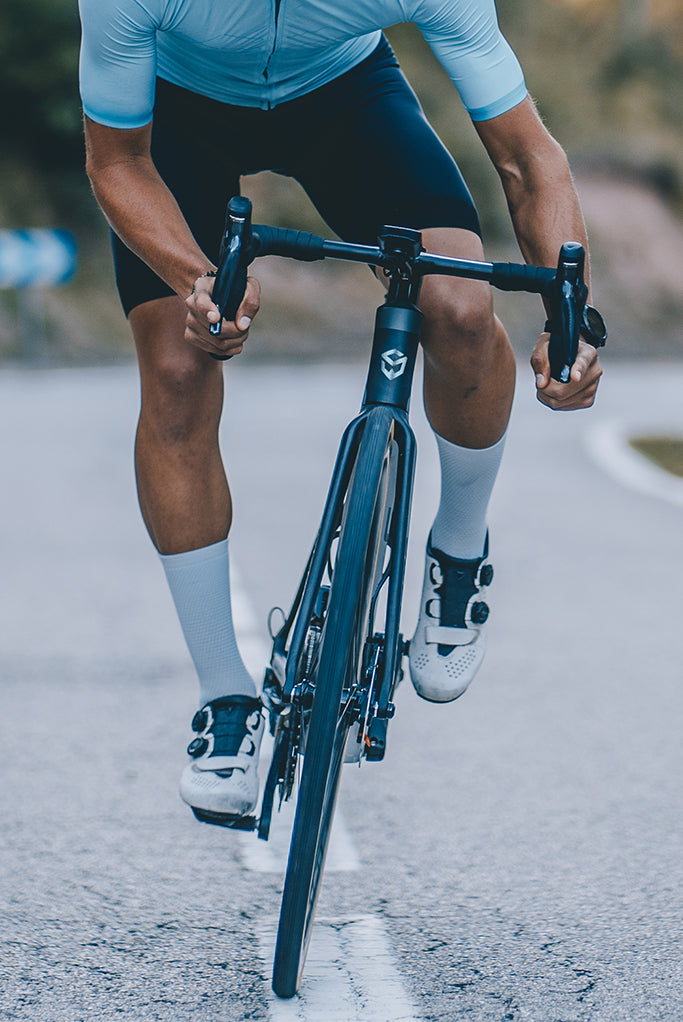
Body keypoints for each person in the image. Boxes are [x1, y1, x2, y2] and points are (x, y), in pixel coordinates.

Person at [78, 0, 603, 826]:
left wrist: (571, 317)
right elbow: (116, 161)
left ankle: (458, 556)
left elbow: (527, 159)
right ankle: (225, 704)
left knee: (463, 313)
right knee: (179, 371)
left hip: (345, 97)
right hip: (181, 115)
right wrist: (198, 278)